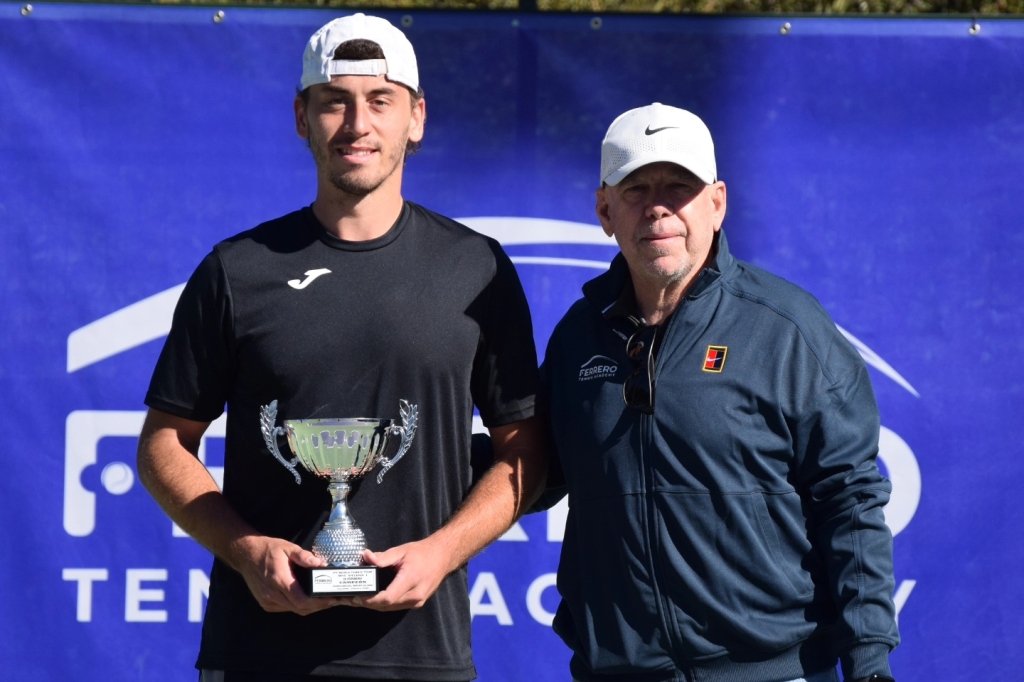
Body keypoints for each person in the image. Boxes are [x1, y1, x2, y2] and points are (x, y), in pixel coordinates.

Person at [137, 13, 546, 682]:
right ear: (302, 117)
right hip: (258, 657)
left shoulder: (478, 269)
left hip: (423, 655)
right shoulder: (237, 270)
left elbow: (524, 449)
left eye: (380, 100)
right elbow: (163, 444)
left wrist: (442, 553)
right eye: (335, 101)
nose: (358, 124)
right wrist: (245, 551)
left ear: (416, 118)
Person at [537, 103, 900, 682]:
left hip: (777, 671)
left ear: (717, 202)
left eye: (679, 187)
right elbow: (532, 471)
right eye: (637, 189)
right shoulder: (577, 338)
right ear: (605, 209)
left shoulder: (786, 329)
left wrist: (869, 662)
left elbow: (850, 500)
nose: (658, 207)